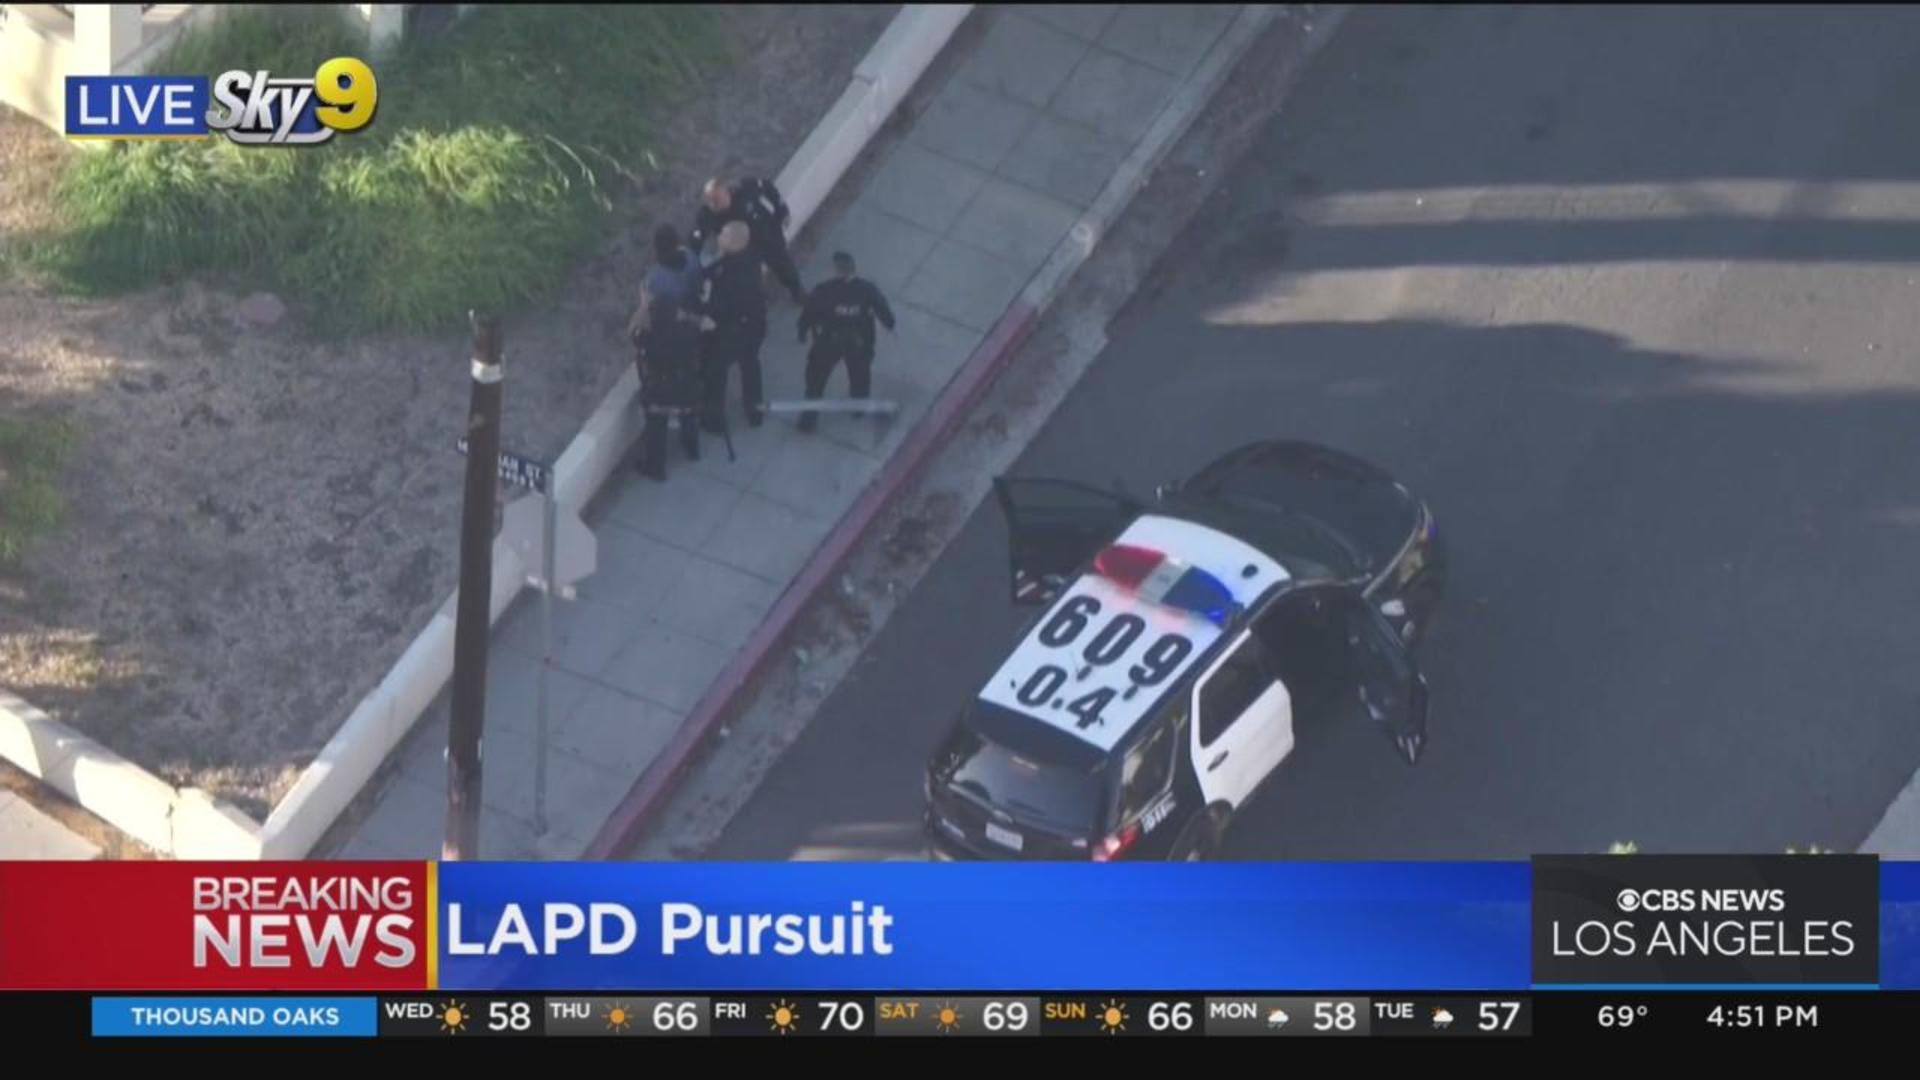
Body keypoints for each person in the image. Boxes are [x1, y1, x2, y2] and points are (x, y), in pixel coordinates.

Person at [795, 251, 895, 433]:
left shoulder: (824, 290)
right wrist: (889, 324)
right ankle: (858, 407)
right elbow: (883, 309)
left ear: (836, 270)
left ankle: (808, 419)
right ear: (853, 269)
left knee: (816, 379)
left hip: (829, 341)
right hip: (859, 341)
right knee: (860, 376)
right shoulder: (867, 289)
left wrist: (802, 331)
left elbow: (809, 313)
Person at [692, 221, 769, 429]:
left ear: (734, 243)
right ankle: (755, 410)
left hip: (729, 331)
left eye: (724, 235)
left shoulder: (720, 272)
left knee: (716, 371)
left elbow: (711, 305)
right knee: (750, 364)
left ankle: (713, 419)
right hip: (755, 324)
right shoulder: (754, 258)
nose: (719, 237)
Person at [689, 175, 805, 304]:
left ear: (727, 192)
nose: (713, 205)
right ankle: (760, 297)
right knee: (747, 275)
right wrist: (694, 260)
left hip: (765, 234)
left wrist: (781, 209)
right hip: (742, 247)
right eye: (710, 201)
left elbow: (767, 187)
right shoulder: (707, 213)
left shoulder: (744, 189)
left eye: (717, 200)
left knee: (782, 264)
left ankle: (796, 290)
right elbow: (697, 237)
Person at [632, 295, 703, 481]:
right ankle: (692, 449)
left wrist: (642, 309)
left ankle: (655, 467)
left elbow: (633, 333)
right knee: (689, 417)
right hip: (687, 392)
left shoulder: (648, 338)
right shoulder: (688, 333)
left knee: (655, 424)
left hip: (659, 395)